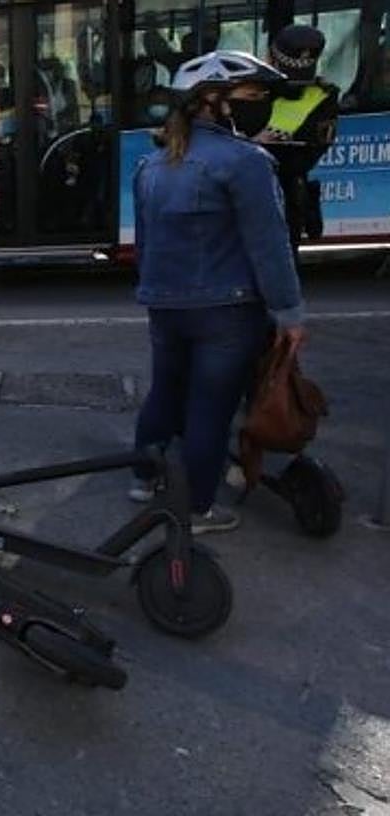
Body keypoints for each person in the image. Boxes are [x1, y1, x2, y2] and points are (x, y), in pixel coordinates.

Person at [130, 50, 306, 533]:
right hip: (226, 311)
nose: (262, 105)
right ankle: (198, 509)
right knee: (210, 408)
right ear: (213, 101)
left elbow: (145, 246)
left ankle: (144, 478)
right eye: (252, 96)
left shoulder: (152, 163)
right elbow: (269, 247)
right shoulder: (246, 162)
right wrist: (290, 316)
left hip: (164, 305)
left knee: (165, 391)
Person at [251, 25, 339, 259]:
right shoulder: (248, 87)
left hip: (284, 197)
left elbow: (312, 153)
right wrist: (253, 141)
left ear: (271, 56)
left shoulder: (324, 95)